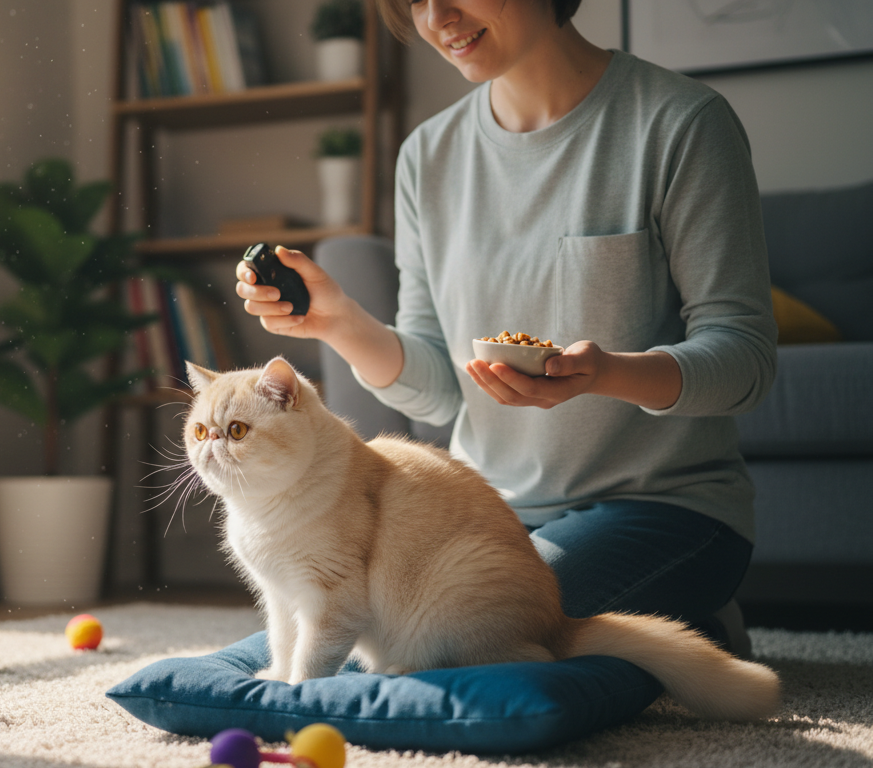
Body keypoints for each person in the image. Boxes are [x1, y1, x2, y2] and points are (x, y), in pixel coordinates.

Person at [233, 0, 777, 653]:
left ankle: (691, 617)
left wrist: (606, 374)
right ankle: (658, 636)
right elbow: (440, 389)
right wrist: (340, 323)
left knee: (439, 634)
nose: (437, 18)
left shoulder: (680, 123)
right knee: (331, 629)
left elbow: (745, 361)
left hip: (663, 508)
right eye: (414, 0)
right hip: (479, 509)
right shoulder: (427, 157)